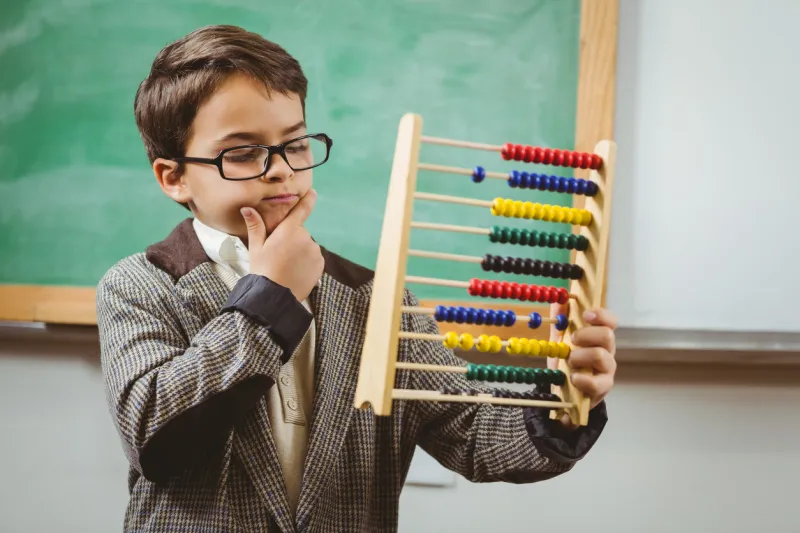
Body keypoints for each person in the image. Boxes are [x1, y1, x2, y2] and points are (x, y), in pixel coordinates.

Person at [96, 24, 618, 533]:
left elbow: (473, 434)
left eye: (295, 144)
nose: (281, 169)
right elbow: (153, 435)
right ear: (174, 177)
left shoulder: (373, 300)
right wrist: (271, 298)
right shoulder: (141, 286)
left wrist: (564, 400)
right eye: (243, 152)